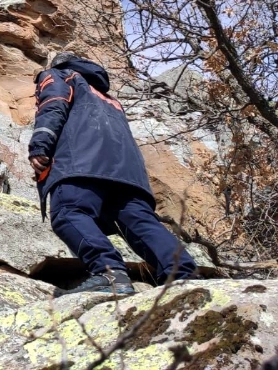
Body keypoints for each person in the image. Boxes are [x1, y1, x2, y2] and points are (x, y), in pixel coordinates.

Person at [29, 51, 197, 296]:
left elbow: (53, 105)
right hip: (127, 172)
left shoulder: (60, 75)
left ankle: (110, 274)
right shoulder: (109, 98)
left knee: (69, 213)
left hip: (81, 163)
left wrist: (40, 144)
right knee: (139, 222)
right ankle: (183, 275)